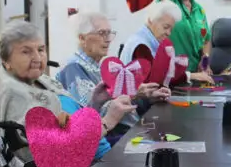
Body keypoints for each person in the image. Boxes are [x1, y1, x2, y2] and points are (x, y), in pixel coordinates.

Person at [0, 20, 134, 159]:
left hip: (100, 154)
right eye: (26, 52)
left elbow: (77, 122)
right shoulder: (12, 93)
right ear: (6, 61)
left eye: (41, 49)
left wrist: (95, 103)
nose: (37, 58)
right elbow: (57, 154)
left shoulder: (40, 79)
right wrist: (108, 121)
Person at [55, 12, 171, 140]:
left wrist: (146, 97)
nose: (108, 39)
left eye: (109, 33)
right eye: (101, 33)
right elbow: (93, 112)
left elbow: (113, 101)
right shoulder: (73, 68)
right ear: (82, 38)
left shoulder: (98, 66)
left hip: (123, 131)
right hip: (108, 137)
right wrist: (134, 93)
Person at [120, 2, 212, 83]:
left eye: (171, 29)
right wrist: (191, 76)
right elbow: (158, 78)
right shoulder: (141, 46)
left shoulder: (145, 38)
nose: (168, 33)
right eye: (165, 27)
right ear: (150, 20)